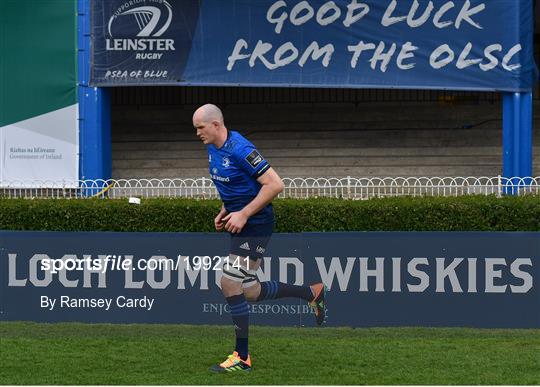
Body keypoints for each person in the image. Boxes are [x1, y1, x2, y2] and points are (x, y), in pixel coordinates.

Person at [192, 104, 327, 373]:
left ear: (216, 125)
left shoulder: (241, 149)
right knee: (249, 290)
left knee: (229, 282)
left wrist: (243, 213)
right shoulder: (212, 148)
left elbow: (275, 184)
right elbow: (232, 185)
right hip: (241, 221)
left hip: (256, 223)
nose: (197, 133)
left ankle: (242, 358)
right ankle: (312, 293)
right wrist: (226, 210)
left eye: (200, 127)